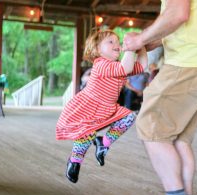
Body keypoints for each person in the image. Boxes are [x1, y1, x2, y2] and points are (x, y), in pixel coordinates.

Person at [123, 1, 197, 195]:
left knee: (150, 127)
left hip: (190, 60)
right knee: (179, 139)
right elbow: (174, 23)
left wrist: (140, 39)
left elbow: (178, 15)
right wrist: (143, 39)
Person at [56, 30, 147, 183]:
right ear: (98, 50)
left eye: (118, 42)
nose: (117, 45)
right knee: (86, 134)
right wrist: (130, 48)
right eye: (110, 42)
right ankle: (75, 161)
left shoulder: (119, 65)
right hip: (88, 107)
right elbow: (125, 68)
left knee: (129, 117)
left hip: (108, 107)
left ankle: (103, 143)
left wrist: (141, 45)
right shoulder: (101, 64)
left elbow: (142, 65)